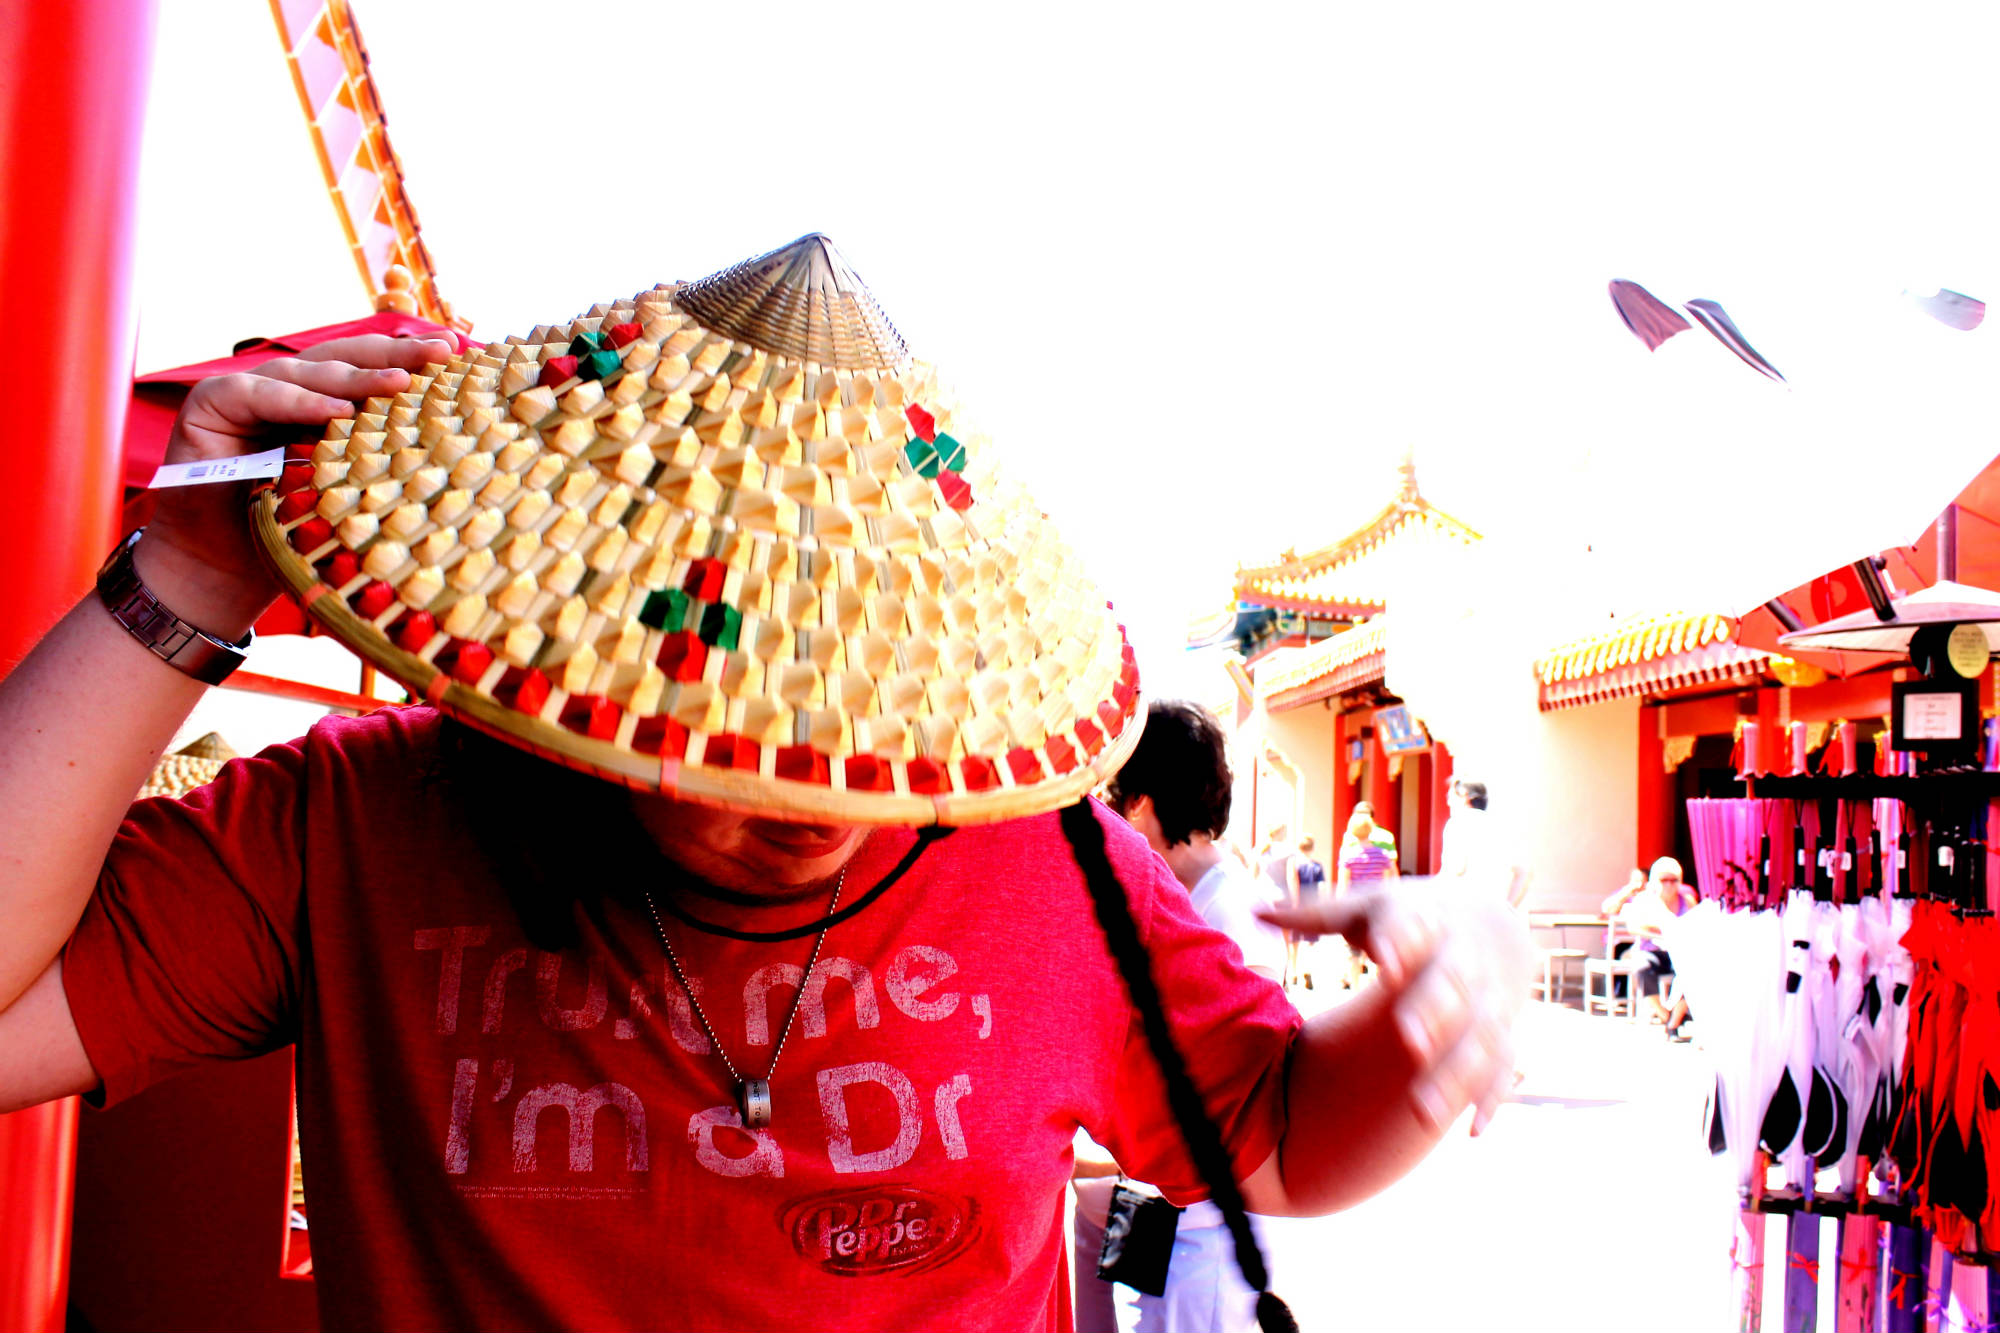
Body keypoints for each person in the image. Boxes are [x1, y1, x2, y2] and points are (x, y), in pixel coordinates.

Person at [0, 283, 1527, 1330]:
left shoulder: (1057, 863)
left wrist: (1427, 1029)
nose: (817, 793)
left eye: (874, 700)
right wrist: (184, 581)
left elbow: (1274, 1135)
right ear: (586, 632)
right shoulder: (358, 820)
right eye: (742, 728)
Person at [1073, 700, 1285, 1332]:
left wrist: (1099, 1161)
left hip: (1206, 1229)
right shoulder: (1176, 897)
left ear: (1138, 802)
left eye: (1109, 800)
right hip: (1154, 1210)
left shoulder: (1232, 913)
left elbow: (1240, 1097)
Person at [1601, 856, 1697, 1031]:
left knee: (1693, 969)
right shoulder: (1644, 900)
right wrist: (1659, 935)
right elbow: (1633, 927)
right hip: (1651, 951)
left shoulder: (1687, 900)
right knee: (1641, 967)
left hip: (1678, 952)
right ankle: (1666, 1016)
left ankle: (1676, 1019)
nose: (1669, 885)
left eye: (1674, 880)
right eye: (1664, 880)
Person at [1439, 779, 1530, 907]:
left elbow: (1455, 869)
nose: (1448, 803)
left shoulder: (1458, 823)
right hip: (1495, 909)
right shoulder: (1501, 825)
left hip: (1465, 909)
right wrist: (1508, 908)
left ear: (1464, 795)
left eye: (1451, 797)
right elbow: (1523, 873)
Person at [1287, 835, 1328, 989]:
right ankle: (1307, 969)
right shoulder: (1317, 866)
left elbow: (1292, 885)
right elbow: (1322, 888)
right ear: (1312, 848)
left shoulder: (1294, 865)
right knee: (1310, 941)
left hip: (1297, 906)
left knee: (1294, 941)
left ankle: (1293, 972)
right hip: (1312, 906)